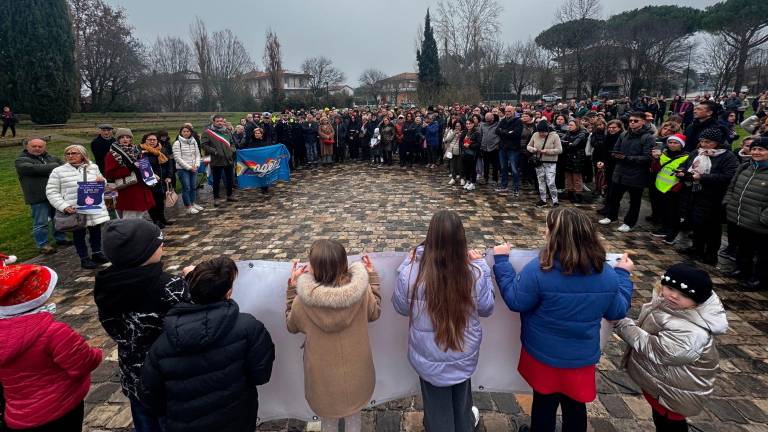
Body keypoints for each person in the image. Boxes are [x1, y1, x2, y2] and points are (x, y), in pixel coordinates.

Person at [493, 207, 634, 432]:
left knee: (544, 402)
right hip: (580, 357)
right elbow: (616, 311)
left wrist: (501, 262)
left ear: (555, 236)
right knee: (575, 405)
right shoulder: (606, 274)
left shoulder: (539, 270)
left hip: (543, 353)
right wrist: (624, 277)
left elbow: (516, 301)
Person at [140, 256, 275, 432]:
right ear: (228, 292)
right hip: (236, 420)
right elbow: (261, 375)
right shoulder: (249, 328)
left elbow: (151, 397)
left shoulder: (161, 345)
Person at [392, 210, 493, 431]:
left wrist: (406, 265)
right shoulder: (473, 272)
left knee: (437, 408)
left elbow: (400, 307)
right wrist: (483, 266)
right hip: (463, 352)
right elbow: (487, 308)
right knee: (462, 396)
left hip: (430, 358)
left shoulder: (412, 274)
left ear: (431, 237)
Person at [94, 219, 189, 432]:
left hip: (134, 374)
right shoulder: (170, 286)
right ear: (142, 253)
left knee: (144, 421)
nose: (163, 245)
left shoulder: (106, 285)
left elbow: (113, 327)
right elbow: (193, 322)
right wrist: (193, 280)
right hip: (170, 377)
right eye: (159, 242)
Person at [614, 263, 728, 432]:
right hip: (664, 384)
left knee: (669, 424)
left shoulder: (692, 330)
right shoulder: (670, 305)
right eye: (669, 288)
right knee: (660, 418)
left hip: (675, 392)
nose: (673, 295)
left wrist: (624, 325)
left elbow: (663, 352)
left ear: (697, 301)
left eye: (683, 294)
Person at [286, 240, 381, 432]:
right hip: (357, 372)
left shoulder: (302, 302)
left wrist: (292, 290)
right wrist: (372, 278)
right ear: (344, 264)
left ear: (314, 269)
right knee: (354, 418)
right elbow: (375, 313)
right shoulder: (362, 293)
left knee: (328, 422)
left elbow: (292, 325)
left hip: (323, 379)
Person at [0, 264, 103, 432]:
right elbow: (83, 363)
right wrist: (97, 353)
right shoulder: (54, 333)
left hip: (18, 415)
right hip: (61, 407)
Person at [677, 128, 739, 265]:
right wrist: (681, 171)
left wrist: (703, 177)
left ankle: (711, 254)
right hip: (693, 192)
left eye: (708, 142)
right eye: (702, 141)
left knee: (711, 227)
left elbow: (729, 176)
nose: (704, 144)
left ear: (717, 143)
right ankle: (696, 247)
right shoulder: (697, 152)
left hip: (712, 196)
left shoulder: (727, 156)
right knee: (696, 222)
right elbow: (685, 164)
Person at [45, 145, 111, 269]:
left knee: (96, 230)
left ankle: (97, 253)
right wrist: (63, 206)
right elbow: (51, 191)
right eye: (68, 154)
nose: (70, 156)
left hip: (92, 205)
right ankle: (84, 258)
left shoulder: (93, 167)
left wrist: (102, 181)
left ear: (82, 155)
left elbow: (102, 183)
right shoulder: (58, 171)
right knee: (78, 233)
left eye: (74, 153)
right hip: (74, 208)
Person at [599, 112, 655, 233]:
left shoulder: (648, 137)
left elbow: (647, 158)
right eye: (631, 121)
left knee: (634, 201)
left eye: (636, 121)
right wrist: (615, 155)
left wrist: (626, 158)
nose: (632, 123)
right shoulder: (624, 134)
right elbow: (616, 149)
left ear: (643, 122)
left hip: (637, 174)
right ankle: (611, 216)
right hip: (619, 172)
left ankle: (629, 222)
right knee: (614, 197)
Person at [724, 137, 768, 291]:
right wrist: (728, 202)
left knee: (762, 253)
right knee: (743, 247)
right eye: (754, 149)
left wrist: (763, 217)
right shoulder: (745, 167)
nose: (756, 152)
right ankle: (743, 270)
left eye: (761, 149)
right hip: (740, 215)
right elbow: (732, 186)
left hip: (760, 222)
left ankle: (760, 279)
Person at [14, 138, 70, 255]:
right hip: (38, 196)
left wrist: (49, 168)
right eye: (34, 146)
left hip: (55, 195)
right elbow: (32, 169)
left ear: (44, 147)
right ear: (27, 147)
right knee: (41, 222)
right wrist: (54, 167)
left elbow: (65, 166)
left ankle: (60, 238)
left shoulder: (50, 157)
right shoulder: (21, 160)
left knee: (58, 219)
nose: (37, 149)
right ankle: (43, 244)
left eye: (40, 146)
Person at [103, 128, 155, 219]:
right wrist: (131, 167)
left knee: (140, 215)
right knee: (129, 216)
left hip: (141, 186)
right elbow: (110, 174)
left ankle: (137, 232)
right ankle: (129, 232)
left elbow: (143, 166)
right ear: (118, 139)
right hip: (127, 188)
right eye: (122, 137)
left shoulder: (136, 151)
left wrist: (152, 174)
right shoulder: (112, 154)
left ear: (131, 139)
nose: (125, 139)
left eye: (128, 137)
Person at [649, 134, 689, 245]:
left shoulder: (686, 157)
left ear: (681, 145)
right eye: (670, 142)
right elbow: (655, 169)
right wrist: (655, 159)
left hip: (674, 189)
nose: (672, 144)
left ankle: (672, 233)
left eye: (675, 143)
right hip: (660, 187)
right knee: (664, 210)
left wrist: (679, 185)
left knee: (674, 213)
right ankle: (664, 228)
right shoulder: (663, 154)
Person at [201, 115, 238, 207]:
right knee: (216, 180)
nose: (219, 123)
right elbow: (204, 145)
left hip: (228, 159)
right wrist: (215, 152)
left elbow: (232, 143)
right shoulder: (207, 132)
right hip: (216, 160)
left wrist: (232, 150)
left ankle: (229, 195)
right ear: (213, 122)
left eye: (221, 121)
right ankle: (216, 198)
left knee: (230, 179)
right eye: (217, 121)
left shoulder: (227, 131)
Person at [139, 133, 173, 229]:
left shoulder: (162, 150)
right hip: (150, 181)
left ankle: (162, 219)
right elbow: (143, 166)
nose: (152, 141)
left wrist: (169, 176)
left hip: (162, 179)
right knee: (152, 202)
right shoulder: (142, 152)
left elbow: (169, 163)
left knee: (160, 201)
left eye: (154, 139)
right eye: (149, 139)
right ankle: (155, 220)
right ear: (145, 140)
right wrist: (152, 175)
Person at [528, 120, 563, 207]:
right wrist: (533, 149)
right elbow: (528, 146)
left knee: (551, 182)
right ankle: (543, 199)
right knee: (541, 181)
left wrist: (547, 151)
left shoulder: (555, 136)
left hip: (551, 162)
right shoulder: (535, 135)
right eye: (540, 132)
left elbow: (559, 150)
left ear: (547, 130)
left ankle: (555, 200)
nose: (541, 134)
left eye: (543, 132)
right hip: (539, 162)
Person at [172, 125, 203, 215]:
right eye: (184, 131)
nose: (186, 133)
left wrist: (196, 165)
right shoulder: (177, 143)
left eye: (188, 131)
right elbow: (177, 158)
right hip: (183, 169)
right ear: (181, 132)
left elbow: (197, 154)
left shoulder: (194, 142)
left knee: (193, 186)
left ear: (191, 132)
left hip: (194, 167)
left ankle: (192, 203)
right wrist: (189, 167)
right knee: (186, 187)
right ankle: (188, 207)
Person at [496, 105, 523, 195]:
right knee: (503, 168)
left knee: (514, 168)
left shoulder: (518, 121)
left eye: (509, 111)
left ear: (514, 111)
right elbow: (497, 131)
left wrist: (503, 132)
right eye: (506, 111)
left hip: (513, 149)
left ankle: (516, 187)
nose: (507, 113)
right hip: (503, 148)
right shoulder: (503, 120)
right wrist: (508, 132)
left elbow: (516, 134)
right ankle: (504, 186)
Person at [562, 119, 589, 203]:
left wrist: (568, 143)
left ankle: (578, 195)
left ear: (576, 125)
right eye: (569, 125)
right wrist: (568, 143)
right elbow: (561, 141)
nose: (569, 127)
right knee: (568, 175)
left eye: (571, 125)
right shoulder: (568, 133)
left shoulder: (582, 133)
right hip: (568, 156)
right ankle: (569, 193)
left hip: (578, 156)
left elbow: (575, 144)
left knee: (576, 176)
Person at [478, 112, 501, 186]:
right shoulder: (482, 125)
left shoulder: (498, 125)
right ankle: (485, 178)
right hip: (484, 148)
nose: (488, 122)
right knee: (486, 165)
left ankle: (495, 179)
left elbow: (501, 136)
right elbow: (480, 135)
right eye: (486, 120)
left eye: (489, 121)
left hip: (494, 148)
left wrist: (498, 144)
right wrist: (481, 146)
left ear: (493, 118)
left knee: (495, 165)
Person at [460, 119, 481, 191]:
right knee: (466, 168)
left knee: (472, 168)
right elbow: (460, 142)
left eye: (469, 123)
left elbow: (478, 144)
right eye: (467, 124)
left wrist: (469, 145)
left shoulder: (476, 132)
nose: (468, 125)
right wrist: (463, 145)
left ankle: (473, 183)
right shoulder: (464, 132)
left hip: (473, 153)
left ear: (473, 124)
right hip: (465, 153)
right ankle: (468, 181)